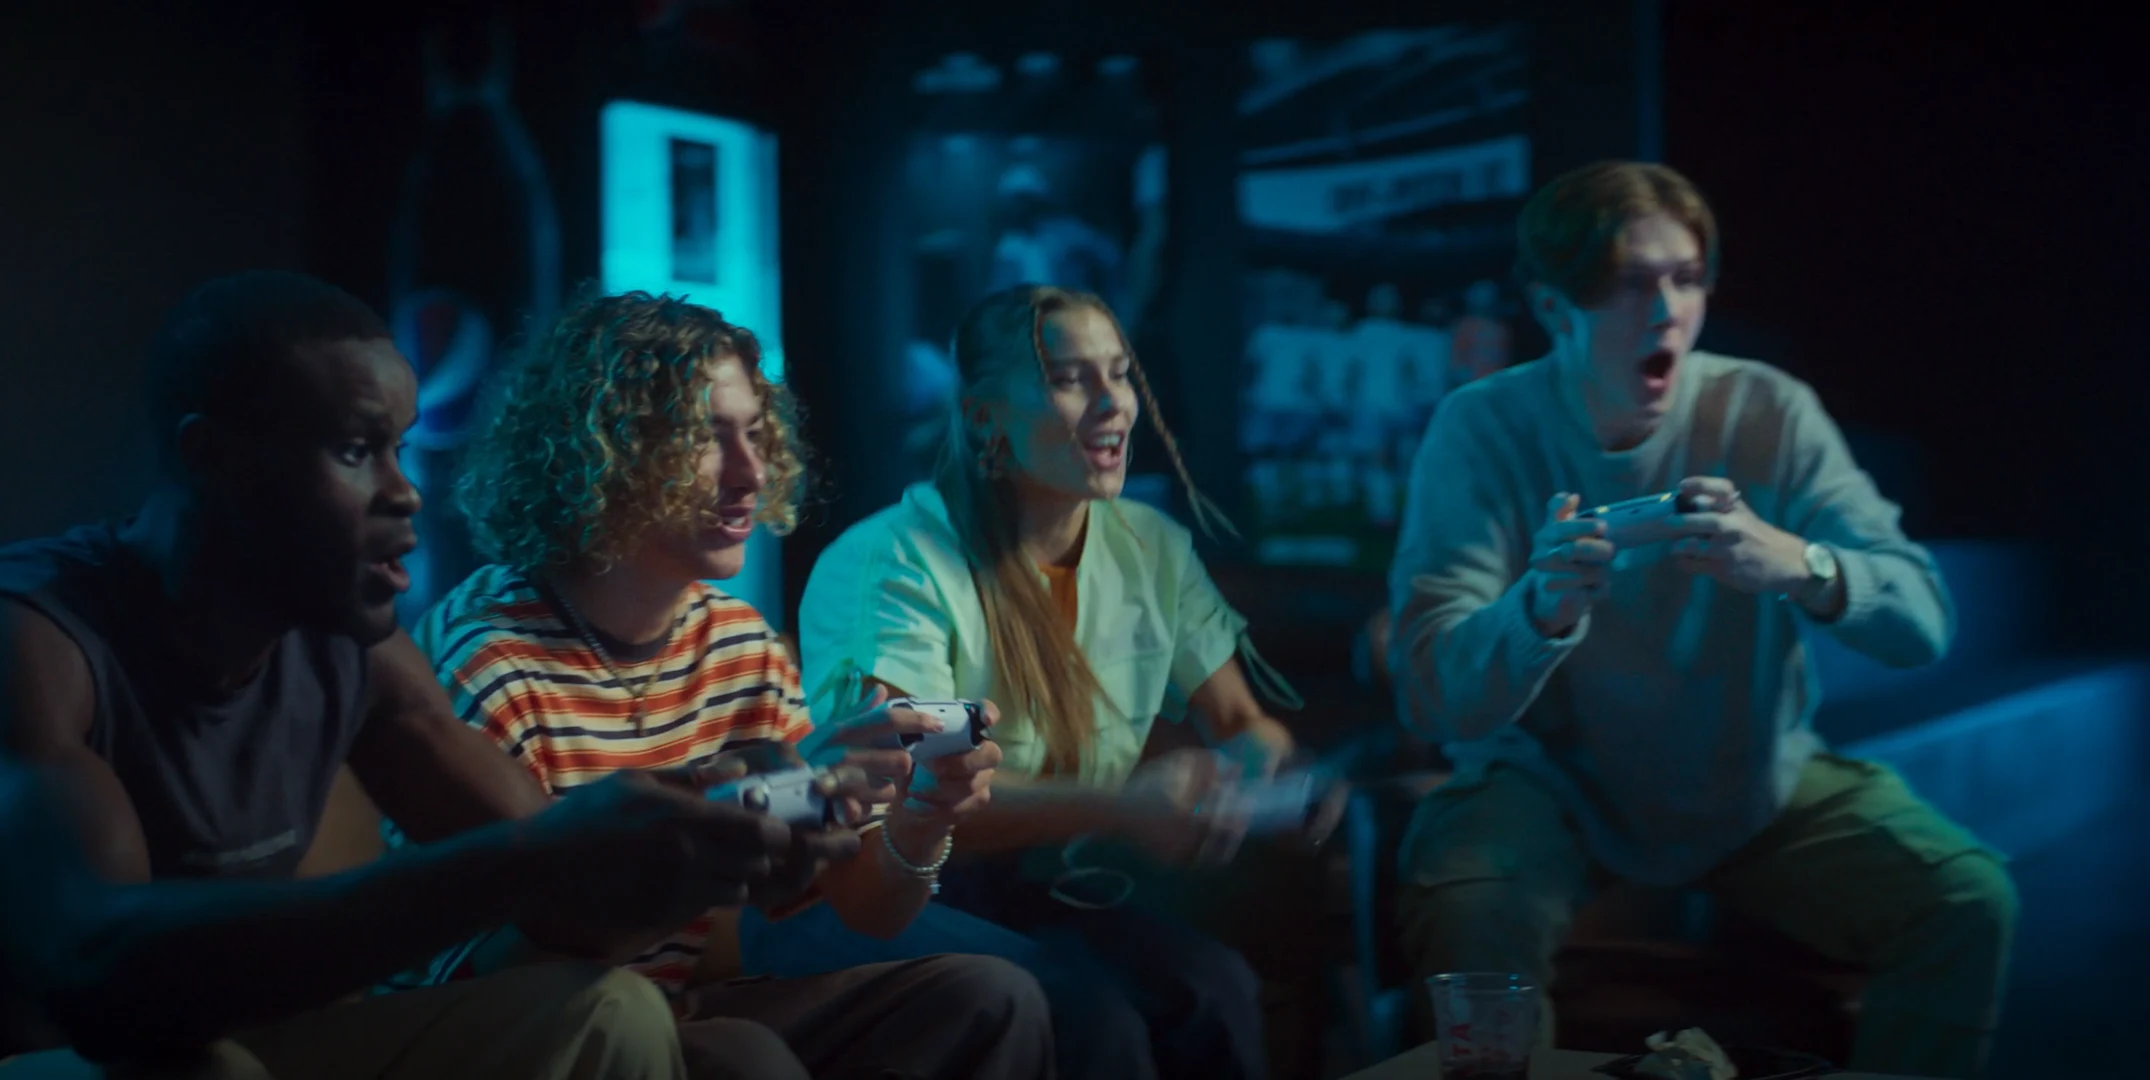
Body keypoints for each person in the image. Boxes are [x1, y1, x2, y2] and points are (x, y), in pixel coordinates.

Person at [0, 271, 844, 1078]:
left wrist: (708, 842)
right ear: (214, 459)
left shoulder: (352, 645)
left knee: (609, 1011)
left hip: (245, 1041)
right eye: (355, 450)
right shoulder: (37, 638)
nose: (404, 492)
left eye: (398, 449)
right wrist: (538, 858)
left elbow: (562, 899)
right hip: (65, 1054)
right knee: (195, 1070)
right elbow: (97, 973)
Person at [1386, 162, 2015, 1079]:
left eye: (1686, 280)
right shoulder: (1483, 426)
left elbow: (1924, 623)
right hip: (1550, 783)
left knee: (1967, 899)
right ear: (1555, 307)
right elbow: (1430, 695)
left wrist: (1798, 564)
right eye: (1631, 283)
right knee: (1467, 902)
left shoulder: (1767, 409)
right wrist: (1537, 612)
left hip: (1754, 781)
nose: (1667, 311)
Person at [406, 289, 1052, 1080]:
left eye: (754, 433)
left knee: (992, 998)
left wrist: (920, 815)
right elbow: (509, 963)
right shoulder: (488, 661)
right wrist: (788, 789)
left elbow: (864, 907)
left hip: (674, 1009)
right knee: (742, 1055)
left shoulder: (736, 643)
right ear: (599, 454)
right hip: (533, 1033)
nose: (751, 473)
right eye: (703, 440)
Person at [787, 284, 1309, 1080]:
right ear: (984, 417)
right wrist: (1123, 808)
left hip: (1034, 886)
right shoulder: (896, 565)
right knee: (1090, 1019)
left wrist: (1266, 778)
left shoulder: (1151, 548)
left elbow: (1241, 719)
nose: (1113, 402)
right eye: (1069, 379)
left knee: (1216, 990)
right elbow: (918, 790)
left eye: (1120, 373)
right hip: (900, 887)